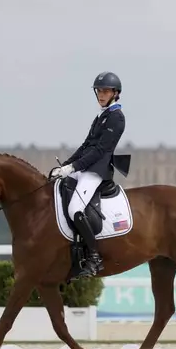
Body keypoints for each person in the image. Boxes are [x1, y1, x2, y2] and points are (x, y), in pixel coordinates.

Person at [50, 71, 126, 277]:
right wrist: (64, 167)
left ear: (115, 93)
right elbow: (86, 145)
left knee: (75, 208)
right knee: (56, 188)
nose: (101, 94)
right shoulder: (101, 117)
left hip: (97, 171)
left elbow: (100, 151)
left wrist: (73, 168)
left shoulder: (116, 118)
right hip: (86, 167)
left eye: (106, 91)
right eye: (99, 91)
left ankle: (93, 257)